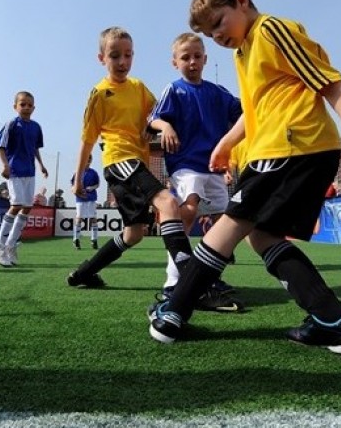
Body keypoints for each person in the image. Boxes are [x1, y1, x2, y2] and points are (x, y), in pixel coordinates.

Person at [148, 0, 341, 355]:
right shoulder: (244, 50)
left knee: (228, 227)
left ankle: (174, 308)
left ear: (241, 2)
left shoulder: (272, 30)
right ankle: (335, 322)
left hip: (290, 147)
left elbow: (327, 80)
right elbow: (256, 107)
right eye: (209, 33)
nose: (217, 36)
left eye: (219, 23)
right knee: (263, 236)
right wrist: (228, 143)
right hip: (289, 151)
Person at [65, 26, 192, 290]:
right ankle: (194, 284)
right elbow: (87, 140)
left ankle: (84, 273)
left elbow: (157, 114)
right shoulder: (100, 94)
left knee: (134, 234)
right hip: (119, 160)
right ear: (102, 58)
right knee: (168, 204)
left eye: (128, 55)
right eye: (114, 56)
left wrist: (157, 127)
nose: (122, 62)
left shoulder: (138, 87)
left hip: (136, 161)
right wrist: (78, 178)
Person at [148, 32, 244, 313]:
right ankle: (174, 279)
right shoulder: (174, 90)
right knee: (188, 209)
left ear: (205, 58)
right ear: (175, 62)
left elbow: (243, 110)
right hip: (185, 164)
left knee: (225, 221)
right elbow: (153, 118)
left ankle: (210, 276)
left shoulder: (218, 92)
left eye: (197, 56)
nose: (192, 61)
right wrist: (165, 127)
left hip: (213, 166)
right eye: (185, 57)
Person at [0, 91, 49, 267]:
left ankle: (10, 245)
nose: (26, 107)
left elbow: (35, 148)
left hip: (30, 171)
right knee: (16, 206)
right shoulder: (11, 124)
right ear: (15, 106)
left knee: (27, 208)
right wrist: (5, 165)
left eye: (30, 105)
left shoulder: (36, 127)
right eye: (22, 104)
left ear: (34, 108)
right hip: (15, 171)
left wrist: (41, 165)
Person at [70, 154, 101, 250]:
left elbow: (97, 184)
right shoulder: (78, 172)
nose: (87, 161)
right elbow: (72, 185)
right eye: (86, 158)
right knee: (79, 217)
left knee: (93, 218)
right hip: (80, 199)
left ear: (91, 160)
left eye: (89, 159)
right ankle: (76, 239)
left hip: (91, 198)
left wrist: (91, 188)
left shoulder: (94, 173)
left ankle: (94, 240)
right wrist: (75, 190)